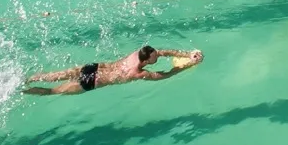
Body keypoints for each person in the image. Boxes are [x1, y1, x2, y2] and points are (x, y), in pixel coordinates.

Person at [23, 45, 202, 96]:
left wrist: (187, 53)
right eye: (155, 57)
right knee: (53, 91)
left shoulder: (136, 55)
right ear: (147, 60)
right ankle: (23, 91)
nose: (159, 56)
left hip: (92, 67)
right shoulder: (138, 73)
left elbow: (163, 51)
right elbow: (164, 75)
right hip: (92, 81)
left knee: (54, 75)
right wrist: (184, 66)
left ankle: (27, 79)